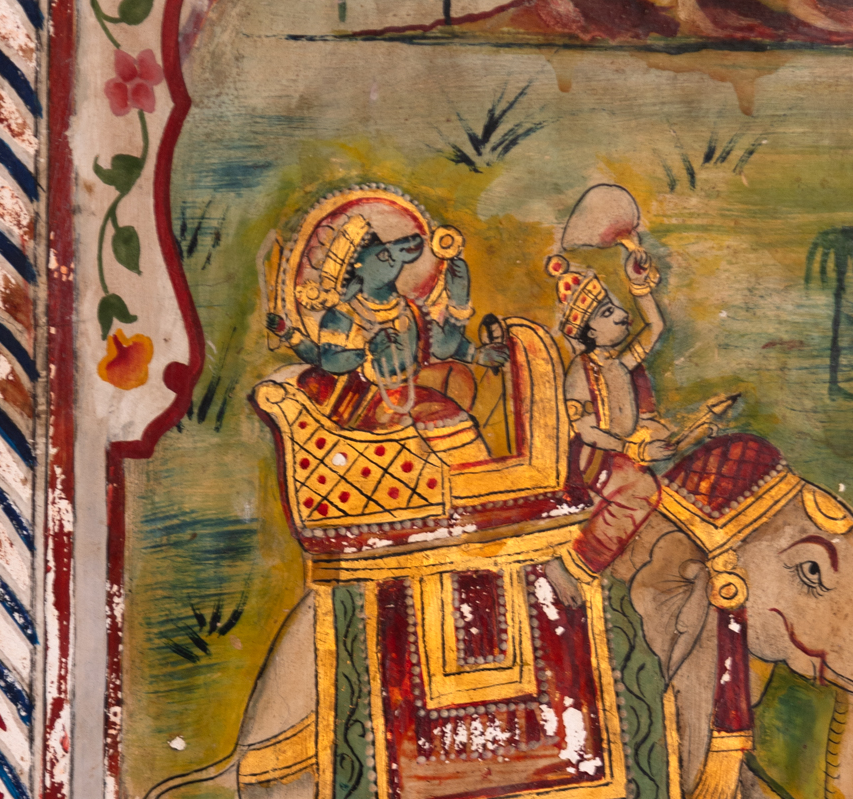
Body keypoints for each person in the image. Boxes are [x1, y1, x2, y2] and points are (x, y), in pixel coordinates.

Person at [268, 202, 508, 442]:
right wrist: (367, 351)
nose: (393, 255)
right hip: (362, 403)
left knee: (457, 391)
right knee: (438, 421)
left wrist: (477, 354)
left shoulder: (408, 309)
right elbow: (331, 361)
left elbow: (443, 345)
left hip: (406, 393)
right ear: (359, 276)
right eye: (383, 255)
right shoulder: (344, 316)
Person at [543, 241, 674, 607]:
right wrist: (635, 449)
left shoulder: (620, 362)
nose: (621, 315)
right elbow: (586, 431)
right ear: (589, 332)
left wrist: (640, 286)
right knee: (639, 489)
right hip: (592, 455)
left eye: (615, 306)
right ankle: (573, 566)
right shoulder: (580, 372)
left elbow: (655, 326)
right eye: (607, 312)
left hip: (625, 447)